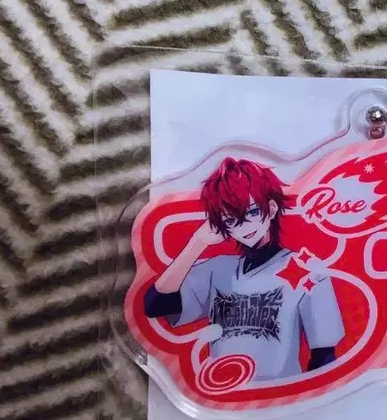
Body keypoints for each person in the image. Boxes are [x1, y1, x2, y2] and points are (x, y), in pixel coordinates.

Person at [144, 157, 344, 380]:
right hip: (220, 391)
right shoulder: (218, 269)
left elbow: (324, 356)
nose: (244, 226)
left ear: (271, 208)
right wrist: (197, 243)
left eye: (252, 212)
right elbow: (155, 305)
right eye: (231, 221)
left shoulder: (308, 269)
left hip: (280, 390)